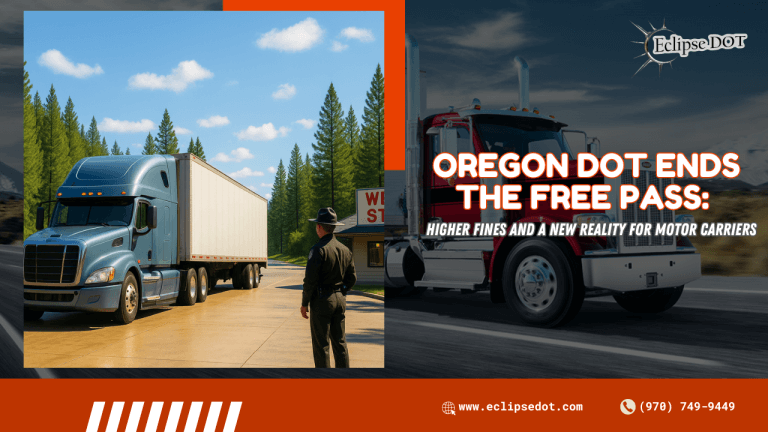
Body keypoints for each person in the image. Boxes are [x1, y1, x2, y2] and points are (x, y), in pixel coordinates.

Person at [301, 207, 356, 368]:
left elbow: (309, 281)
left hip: (322, 300)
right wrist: (341, 291)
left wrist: (304, 303)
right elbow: (352, 278)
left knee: (321, 346)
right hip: (339, 299)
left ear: (319, 227)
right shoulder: (345, 250)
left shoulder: (318, 250)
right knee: (340, 343)